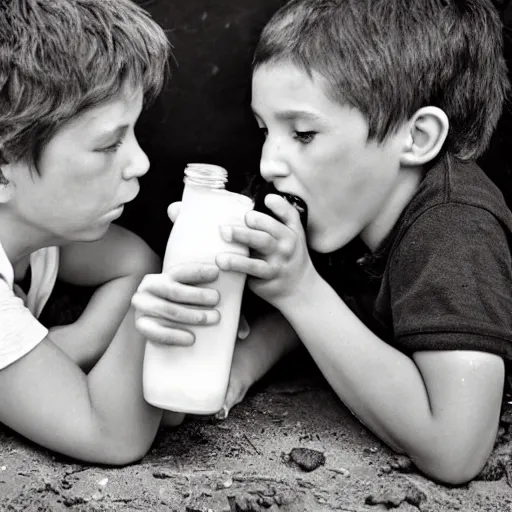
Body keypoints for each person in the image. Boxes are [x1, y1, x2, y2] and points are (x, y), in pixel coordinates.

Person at [133, 0, 512, 484]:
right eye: (265, 130)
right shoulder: (352, 206)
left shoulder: (456, 230)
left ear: (416, 137)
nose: (270, 162)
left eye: (304, 133)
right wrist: (240, 360)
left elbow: (456, 448)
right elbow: (350, 308)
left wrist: (300, 290)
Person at [0, 0, 187, 465]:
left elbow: (135, 265)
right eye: (108, 144)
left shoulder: (37, 238)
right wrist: (158, 323)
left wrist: (77, 341)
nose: (141, 163)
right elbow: (110, 435)